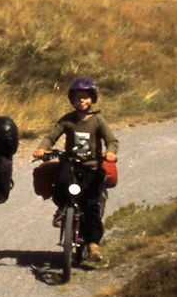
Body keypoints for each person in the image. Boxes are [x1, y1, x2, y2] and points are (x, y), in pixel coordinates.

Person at [32, 76, 118, 262]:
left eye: (86, 97)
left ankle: (93, 244)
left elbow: (111, 140)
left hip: (92, 167)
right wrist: (42, 148)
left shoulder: (98, 121)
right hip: (70, 164)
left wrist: (110, 152)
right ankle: (63, 210)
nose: (82, 100)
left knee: (92, 205)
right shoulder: (67, 120)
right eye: (78, 97)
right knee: (61, 185)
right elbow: (51, 136)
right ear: (72, 99)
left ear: (93, 98)